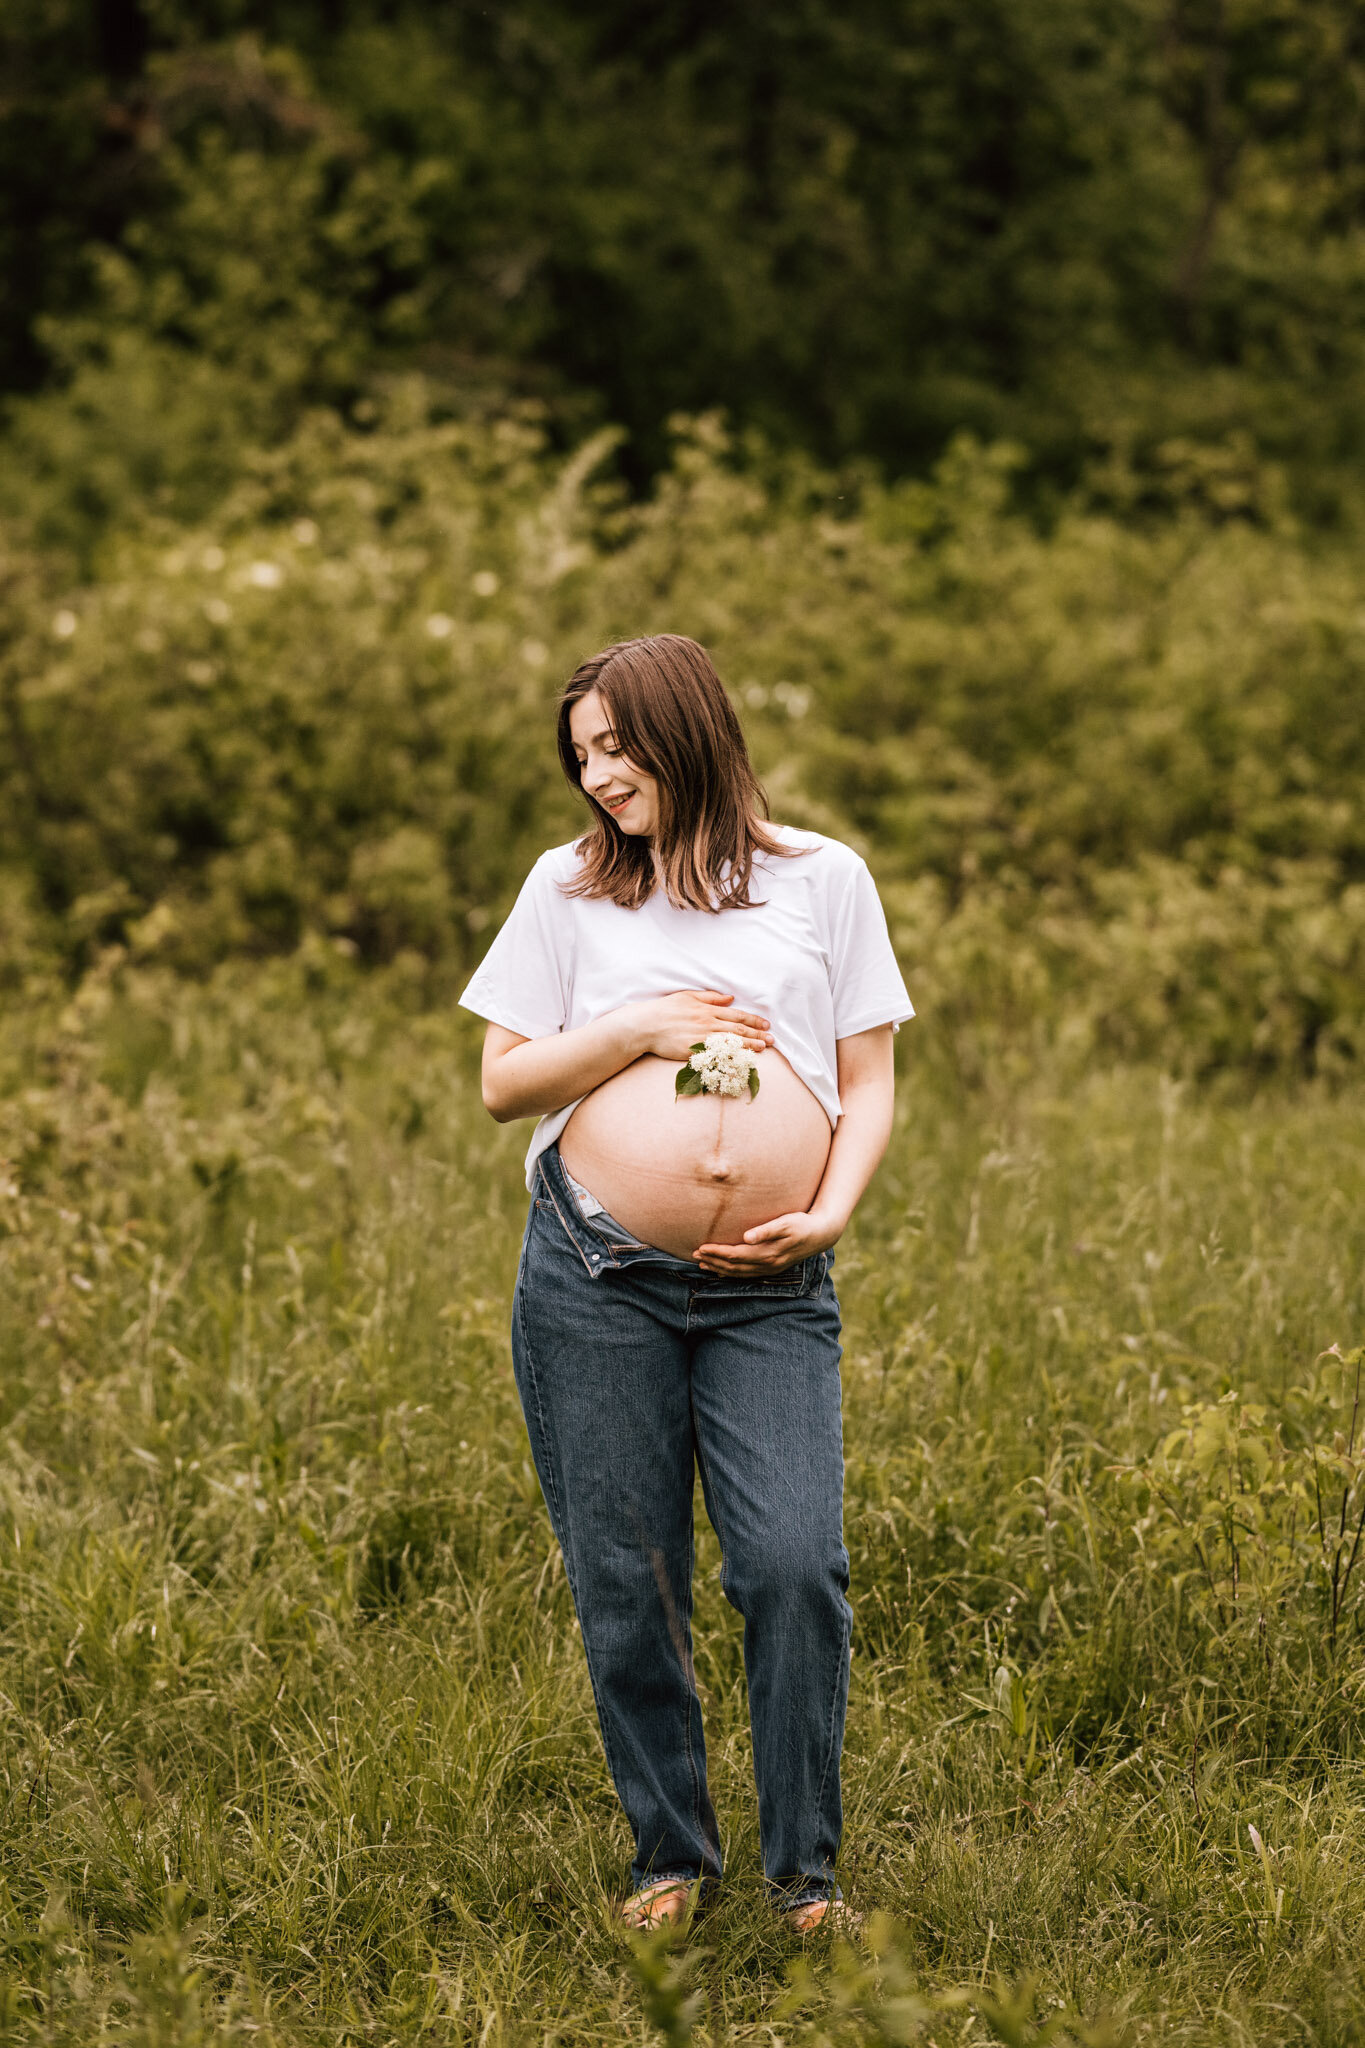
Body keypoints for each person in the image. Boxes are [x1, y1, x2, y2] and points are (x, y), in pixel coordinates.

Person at [459, 634, 914, 1934]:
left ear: (689, 730)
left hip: (771, 1289)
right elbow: (503, 1083)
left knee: (790, 1567)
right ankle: (670, 1855)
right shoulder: (568, 889)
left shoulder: (822, 880)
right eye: (582, 755)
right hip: (596, 1280)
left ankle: (804, 1876)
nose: (598, 776)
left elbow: (868, 1077)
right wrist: (634, 1033)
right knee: (628, 1575)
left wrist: (825, 1211)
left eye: (618, 746)